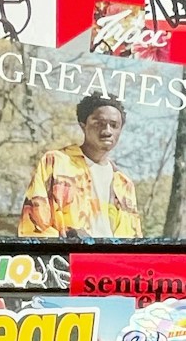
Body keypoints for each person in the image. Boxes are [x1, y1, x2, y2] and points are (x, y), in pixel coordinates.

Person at [20, 94, 143, 240]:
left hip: (112, 261)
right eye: (99, 123)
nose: (107, 131)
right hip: (68, 258)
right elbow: (34, 223)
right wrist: (67, 241)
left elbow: (134, 239)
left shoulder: (124, 183)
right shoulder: (56, 162)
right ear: (83, 125)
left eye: (114, 125)